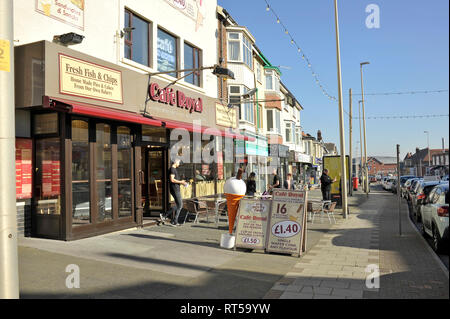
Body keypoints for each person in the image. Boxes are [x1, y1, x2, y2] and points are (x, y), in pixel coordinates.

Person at [160, 159, 187, 226]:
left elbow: (174, 180)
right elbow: (172, 180)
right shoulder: (172, 169)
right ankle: (172, 219)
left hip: (175, 189)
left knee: (179, 205)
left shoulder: (173, 169)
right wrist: (181, 182)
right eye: (179, 162)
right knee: (180, 205)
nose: (179, 164)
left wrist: (181, 182)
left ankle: (167, 217)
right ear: (176, 161)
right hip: (175, 189)